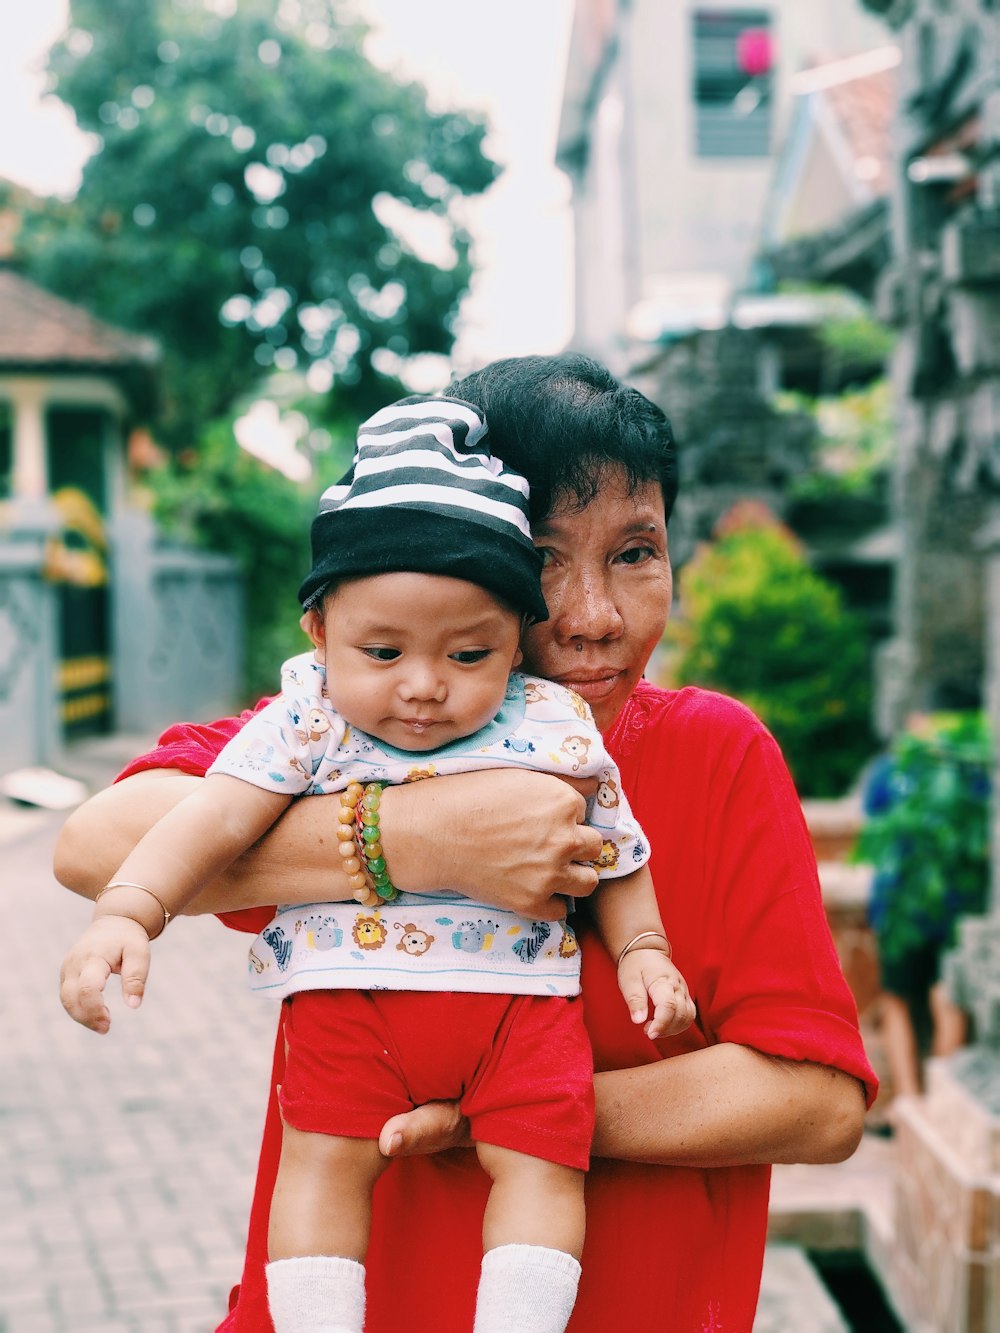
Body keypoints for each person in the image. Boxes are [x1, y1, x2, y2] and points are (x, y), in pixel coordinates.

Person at [55, 353, 878, 1333]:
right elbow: (93, 843)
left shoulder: (716, 753)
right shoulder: (352, 726)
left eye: (634, 552)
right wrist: (408, 838)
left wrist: (523, 1111)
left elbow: (820, 1100)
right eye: (539, 559)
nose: (594, 618)